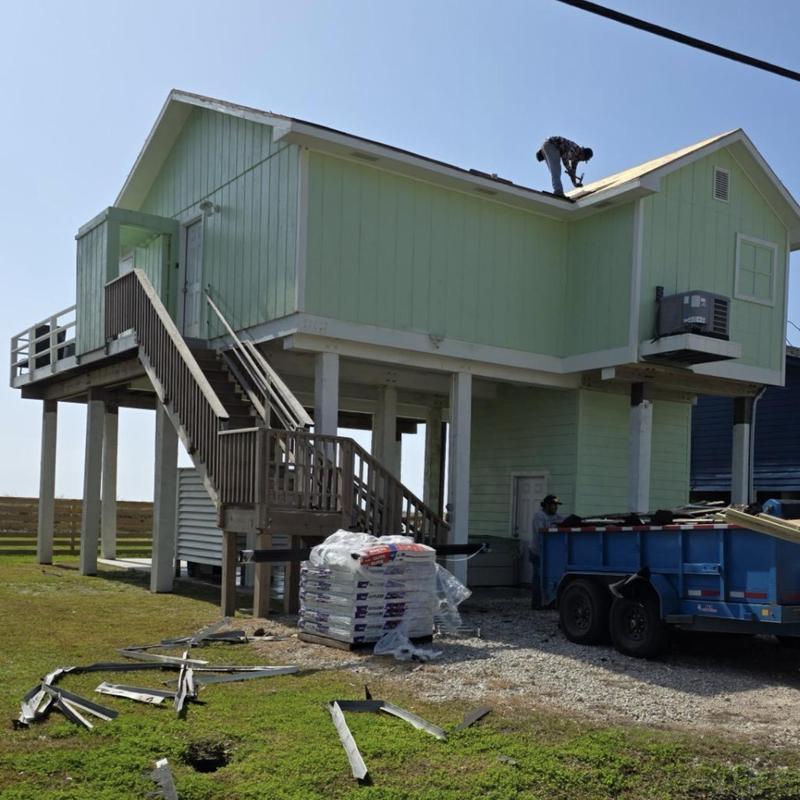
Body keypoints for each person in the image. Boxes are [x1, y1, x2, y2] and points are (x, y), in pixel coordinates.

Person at [530, 494, 563, 608]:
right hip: (538, 552)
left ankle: (549, 601)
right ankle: (537, 603)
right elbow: (541, 533)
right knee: (538, 578)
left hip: (549, 553)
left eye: (556, 506)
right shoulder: (539, 516)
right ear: (547, 505)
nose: (556, 508)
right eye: (554, 505)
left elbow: (564, 522)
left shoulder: (556, 516)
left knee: (549, 578)